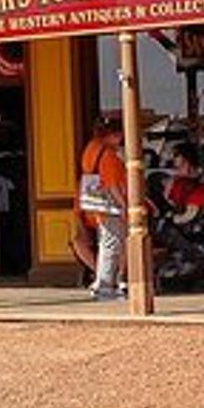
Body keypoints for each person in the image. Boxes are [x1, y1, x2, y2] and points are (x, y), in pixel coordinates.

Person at [77, 113, 127, 301]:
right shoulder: (108, 155)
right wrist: (124, 206)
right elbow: (113, 184)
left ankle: (104, 281)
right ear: (113, 135)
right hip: (108, 204)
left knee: (105, 240)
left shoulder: (91, 148)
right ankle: (104, 283)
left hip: (93, 203)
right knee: (112, 242)